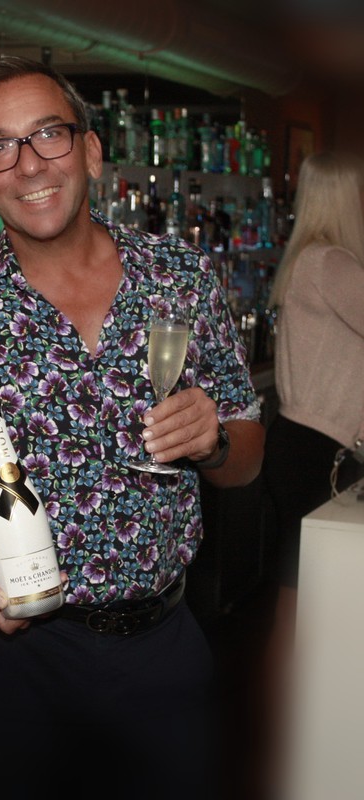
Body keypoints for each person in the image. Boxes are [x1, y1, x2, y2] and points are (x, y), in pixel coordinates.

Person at [0, 56, 264, 799]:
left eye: (49, 134)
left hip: (162, 655)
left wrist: (216, 441)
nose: (29, 164)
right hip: (8, 665)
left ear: (91, 151)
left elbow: (247, 457)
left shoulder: (180, 277)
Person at [260, 150, 364, 793]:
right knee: (304, 603)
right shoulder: (332, 263)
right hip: (320, 451)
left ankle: (288, 739)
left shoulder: (314, 260)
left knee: (296, 599)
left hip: (301, 445)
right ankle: (297, 743)